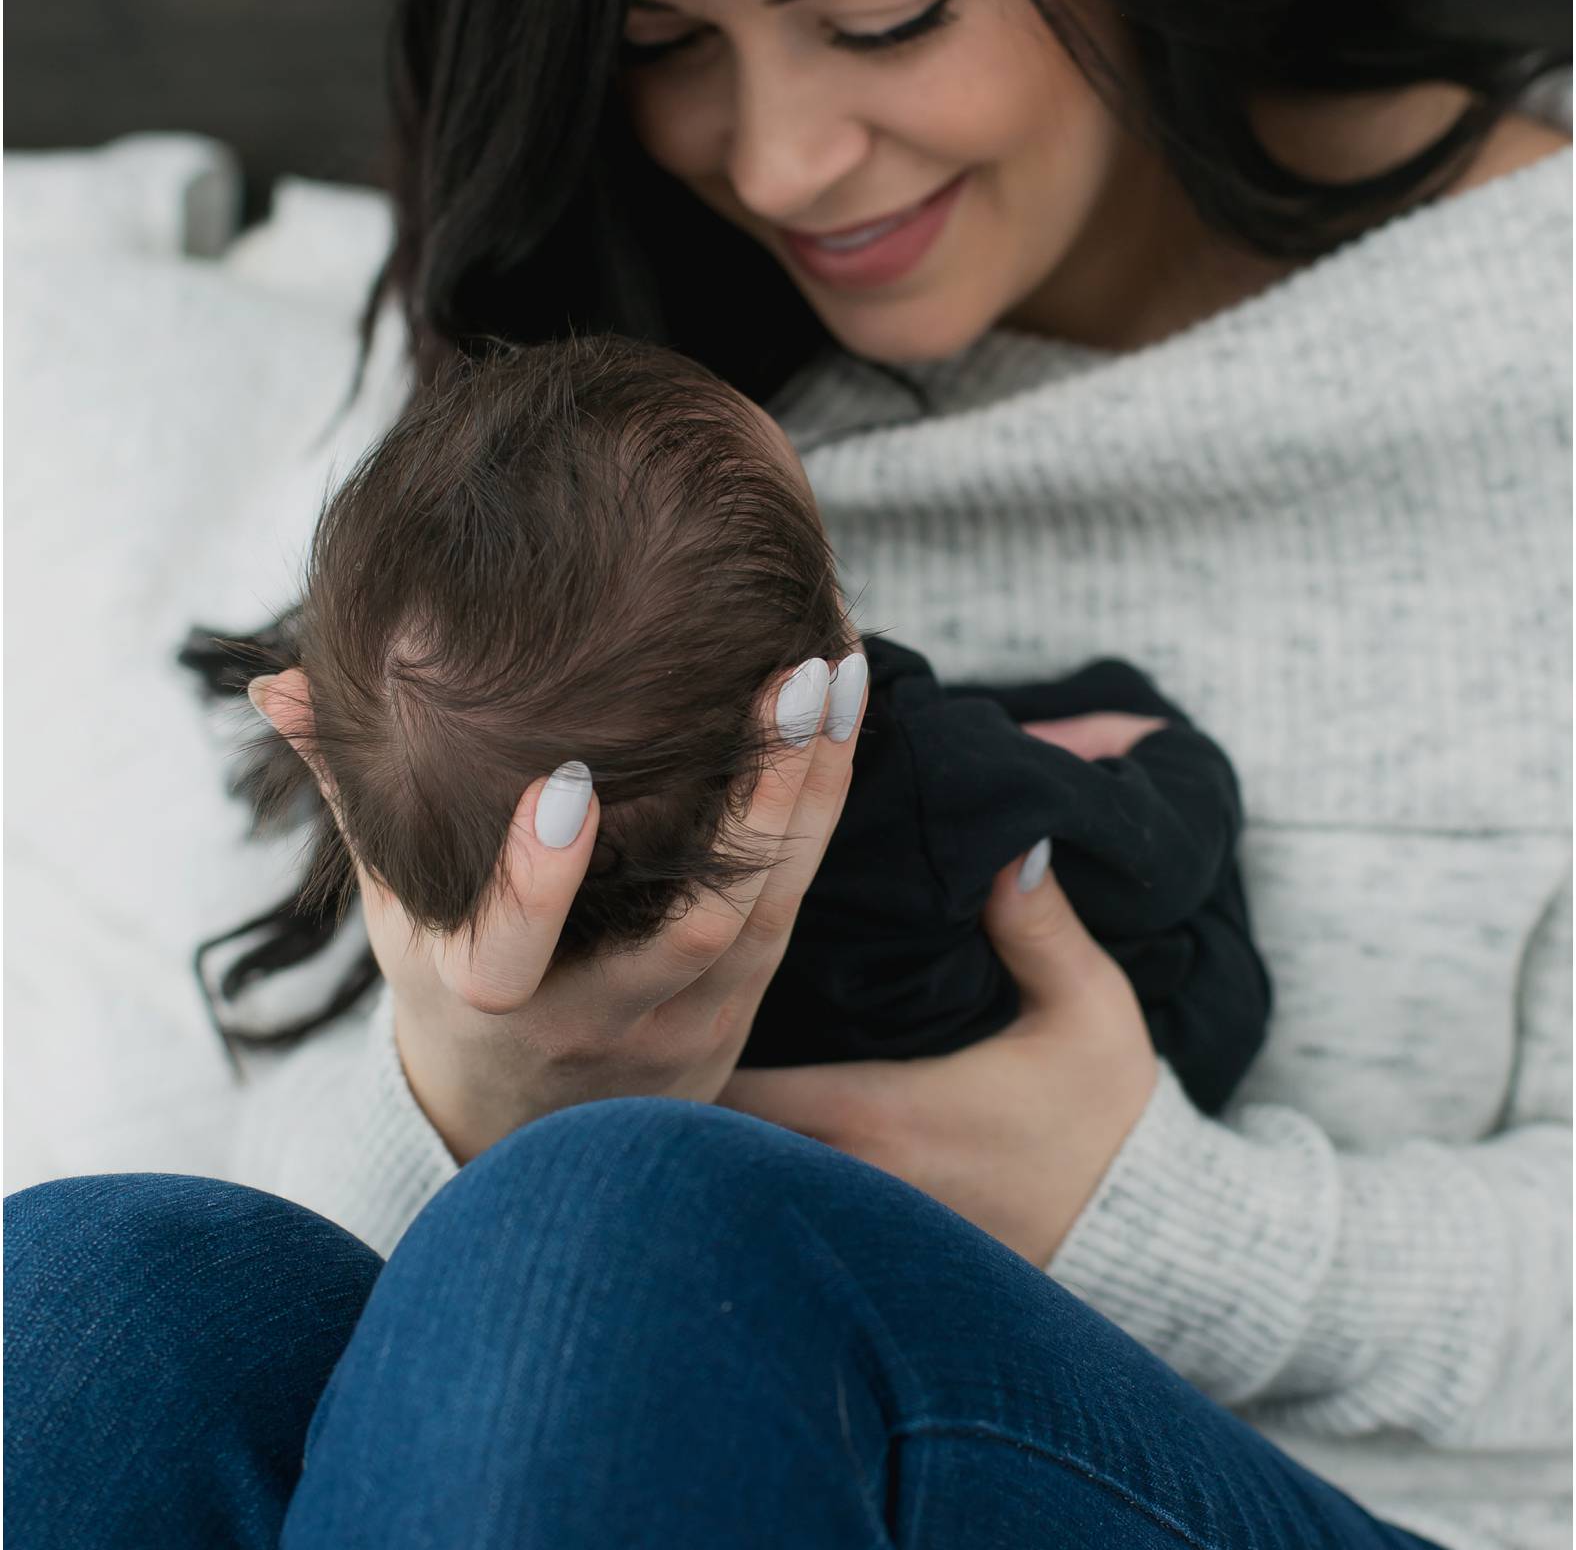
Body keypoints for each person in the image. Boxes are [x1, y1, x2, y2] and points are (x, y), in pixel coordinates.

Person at [5, 0, 1570, 1550]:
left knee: (636, 1244)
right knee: (109, 1298)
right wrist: (487, 1086)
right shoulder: (667, 434)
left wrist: (1147, 1216)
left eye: (889, 12)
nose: (778, 161)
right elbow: (384, 1375)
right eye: (659, 45)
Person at [219, 328, 1270, 1109]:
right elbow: (1158, 857)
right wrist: (1170, 755)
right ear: (816, 665)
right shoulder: (935, 778)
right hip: (1074, 1061)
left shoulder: (482, 890)